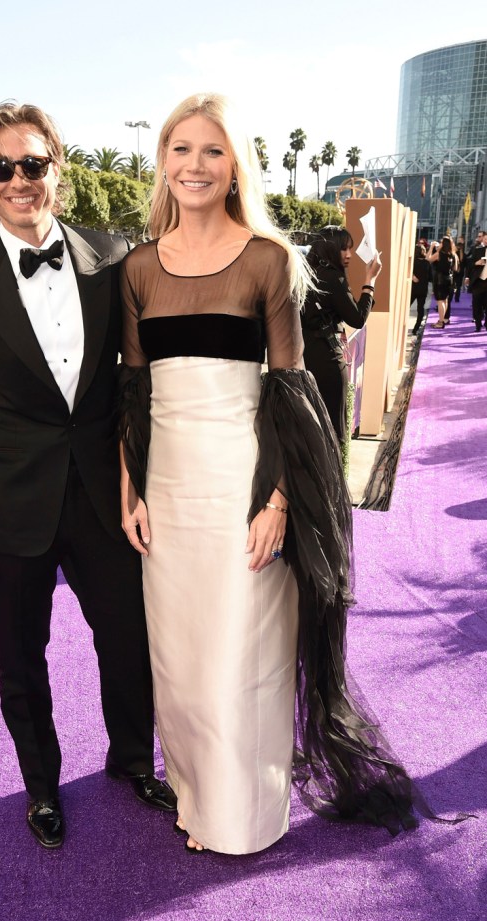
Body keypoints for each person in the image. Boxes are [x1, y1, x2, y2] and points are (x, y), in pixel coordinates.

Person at [119, 93, 417, 855]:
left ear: (234, 166)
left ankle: (245, 813)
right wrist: (131, 490)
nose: (195, 165)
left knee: (245, 652)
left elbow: (290, 393)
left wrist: (278, 497)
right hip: (168, 493)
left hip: (246, 480)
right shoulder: (138, 270)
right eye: (181, 149)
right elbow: (133, 391)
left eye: (212, 151)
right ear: (164, 161)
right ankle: (196, 797)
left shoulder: (267, 259)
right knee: (181, 657)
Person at [0, 102, 176, 851]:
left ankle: (132, 758)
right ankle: (41, 786)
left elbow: (143, 382)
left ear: (57, 168)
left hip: (106, 496)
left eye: (34, 163)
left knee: (128, 639)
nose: (20, 179)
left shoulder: (115, 255)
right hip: (10, 503)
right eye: (3, 167)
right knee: (20, 655)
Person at [301, 226, 381, 454]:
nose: (348, 254)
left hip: (303, 356)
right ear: (329, 248)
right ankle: (333, 483)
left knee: (311, 426)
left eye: (350, 248)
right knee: (334, 429)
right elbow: (357, 318)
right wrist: (370, 280)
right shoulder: (333, 278)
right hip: (327, 359)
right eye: (343, 248)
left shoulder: (306, 273)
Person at [427, 236, 458, 328]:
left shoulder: (439, 254)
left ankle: (441, 322)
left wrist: (431, 247)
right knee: (445, 300)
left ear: (443, 244)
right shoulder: (453, 255)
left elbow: (428, 259)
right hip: (449, 280)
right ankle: (442, 319)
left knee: (440, 300)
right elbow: (455, 268)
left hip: (440, 280)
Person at [466, 230, 487, 331]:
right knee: (477, 305)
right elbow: (469, 264)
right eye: (486, 239)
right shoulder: (477, 250)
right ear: (483, 239)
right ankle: (478, 325)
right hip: (478, 281)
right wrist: (476, 263)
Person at [410, 242, 431, 335]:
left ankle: (401, 323)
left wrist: (412, 276)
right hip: (423, 289)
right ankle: (416, 328)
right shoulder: (427, 263)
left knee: (406, 306)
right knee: (420, 309)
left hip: (413, 288)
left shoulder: (412, 262)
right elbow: (430, 277)